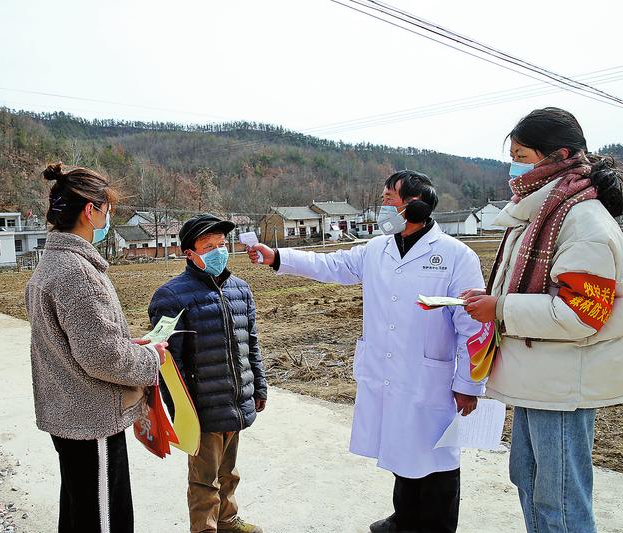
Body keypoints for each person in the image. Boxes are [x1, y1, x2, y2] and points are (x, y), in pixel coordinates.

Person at [248, 171, 485, 533]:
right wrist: (277, 257)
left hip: (429, 375)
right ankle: (403, 519)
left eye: (390, 199)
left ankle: (435, 526)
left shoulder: (456, 256)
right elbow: (332, 265)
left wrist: (468, 383)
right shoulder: (378, 248)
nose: (383, 205)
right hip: (387, 370)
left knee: (436, 457)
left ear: (414, 206)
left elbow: (473, 325)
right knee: (400, 447)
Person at [463, 107, 623, 533]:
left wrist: (500, 309)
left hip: (562, 383)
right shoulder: (543, 213)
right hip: (538, 377)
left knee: (560, 499)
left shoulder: (582, 221)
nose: (515, 169)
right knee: (530, 479)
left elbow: (581, 313)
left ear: (560, 156)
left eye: (522, 156)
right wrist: (493, 300)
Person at [25, 162, 168, 533]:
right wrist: (149, 358)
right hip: (92, 419)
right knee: (104, 518)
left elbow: (81, 343)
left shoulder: (51, 264)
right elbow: (103, 357)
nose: (109, 217)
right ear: (91, 211)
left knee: (79, 511)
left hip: (69, 413)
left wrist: (123, 345)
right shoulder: (78, 273)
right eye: (107, 209)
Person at [148, 213, 267, 533]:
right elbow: (169, 363)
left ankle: (227, 520)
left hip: (236, 399)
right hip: (201, 407)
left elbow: (251, 343)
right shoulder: (171, 296)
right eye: (208, 246)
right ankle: (205, 528)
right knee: (204, 480)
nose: (218, 251)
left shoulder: (240, 290)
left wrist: (259, 386)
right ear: (190, 254)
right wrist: (181, 411)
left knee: (229, 472)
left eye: (221, 244)